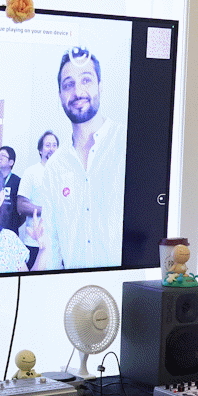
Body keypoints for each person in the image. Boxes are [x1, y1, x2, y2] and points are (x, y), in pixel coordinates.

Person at [35, 47, 126, 269]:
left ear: (100, 86)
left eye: (86, 80)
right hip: (75, 295)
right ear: (60, 95)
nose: (77, 91)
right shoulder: (55, 166)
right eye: (68, 84)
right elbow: (53, 247)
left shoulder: (125, 144)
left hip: (127, 290)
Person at [16, 130, 58, 268]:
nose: (51, 149)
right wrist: (46, 210)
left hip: (58, 243)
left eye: (54, 145)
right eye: (47, 145)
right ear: (40, 150)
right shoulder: (31, 172)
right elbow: (21, 205)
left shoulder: (64, 174)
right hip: (35, 242)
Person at [0, 145, 23, 235]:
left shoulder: (17, 181)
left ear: (11, 162)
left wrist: (15, 224)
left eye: (3, 156)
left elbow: (22, 213)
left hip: (11, 229)